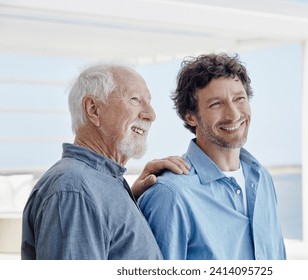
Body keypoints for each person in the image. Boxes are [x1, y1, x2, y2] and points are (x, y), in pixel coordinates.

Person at [21, 63, 189, 260]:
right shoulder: (74, 190)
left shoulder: (97, 184)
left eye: (148, 101)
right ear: (93, 109)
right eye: (135, 100)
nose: (151, 115)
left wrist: (128, 200)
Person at [138, 53, 286, 260]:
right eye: (216, 104)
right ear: (190, 117)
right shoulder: (170, 195)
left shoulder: (262, 179)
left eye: (239, 99)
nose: (233, 114)